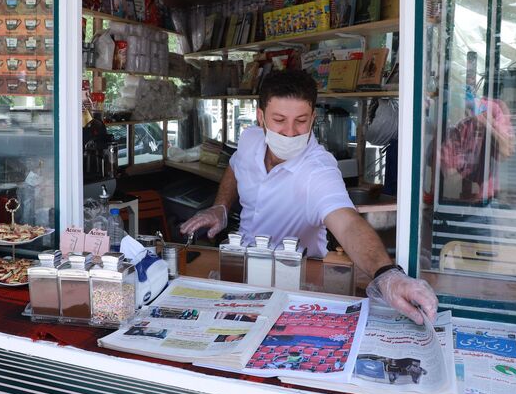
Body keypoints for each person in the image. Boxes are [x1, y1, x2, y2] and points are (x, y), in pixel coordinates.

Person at [180, 70, 438, 325]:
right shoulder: (250, 139)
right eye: (279, 120)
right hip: (242, 270)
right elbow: (235, 167)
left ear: (313, 117)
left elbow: (348, 224)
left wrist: (387, 274)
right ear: (261, 117)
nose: (290, 132)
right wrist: (221, 207)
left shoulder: (318, 169)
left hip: (295, 284)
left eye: (301, 120)